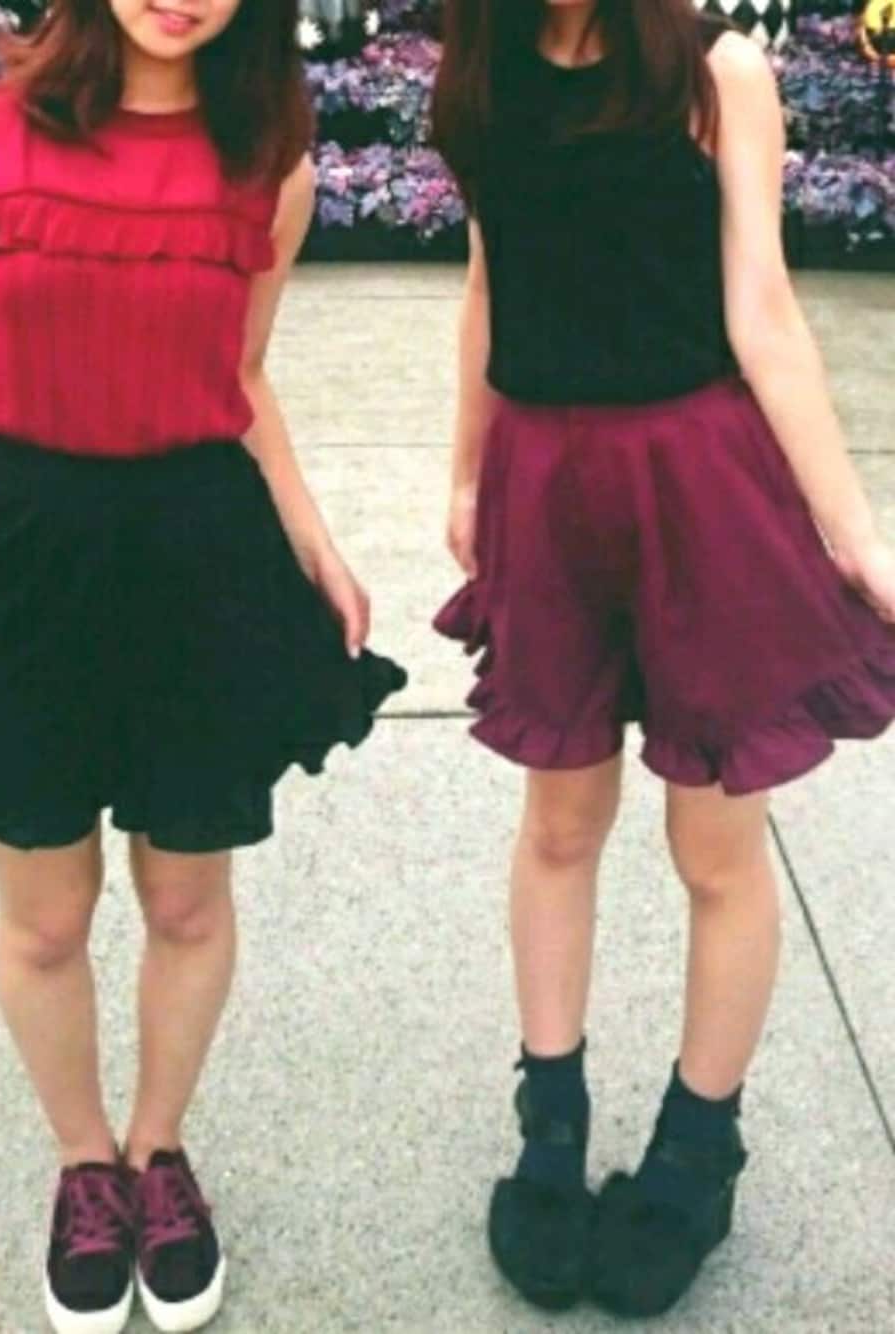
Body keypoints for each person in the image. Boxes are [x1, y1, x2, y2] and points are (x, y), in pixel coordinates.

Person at [0, 0, 406, 1329]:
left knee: (185, 899)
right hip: (19, 554)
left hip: (198, 558)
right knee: (44, 916)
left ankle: (157, 1148)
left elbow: (244, 376)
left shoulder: (270, 163)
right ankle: (84, 1164)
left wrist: (315, 539)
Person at [431, 0, 895, 1318]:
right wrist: (464, 468)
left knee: (716, 844)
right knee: (559, 820)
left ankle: (699, 1143)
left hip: (699, 479)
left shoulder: (714, 71)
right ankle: (552, 1121)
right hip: (544, 477)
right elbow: (488, 285)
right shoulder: (485, 72)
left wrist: (855, 535)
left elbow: (765, 312)